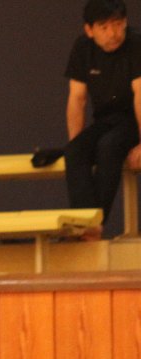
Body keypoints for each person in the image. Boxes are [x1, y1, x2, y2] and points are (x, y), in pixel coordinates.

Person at [64, 0, 141, 239]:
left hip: (133, 119)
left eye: (117, 24)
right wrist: (78, 143)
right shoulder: (82, 48)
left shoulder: (136, 43)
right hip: (106, 119)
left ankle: (93, 225)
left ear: (125, 22)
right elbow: (77, 99)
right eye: (104, 27)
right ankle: (86, 223)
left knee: (109, 146)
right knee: (74, 150)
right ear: (89, 30)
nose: (113, 33)